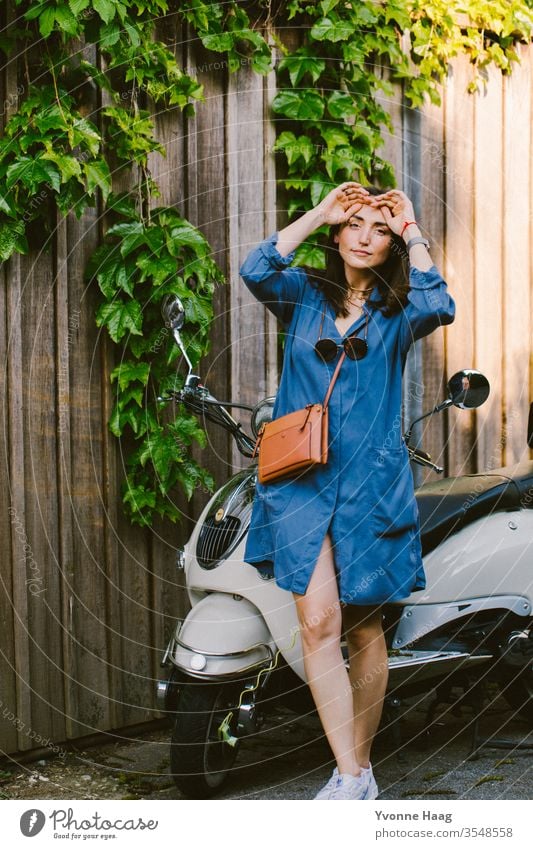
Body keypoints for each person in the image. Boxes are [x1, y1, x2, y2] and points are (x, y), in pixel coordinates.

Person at [239, 182, 455, 800]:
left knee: (362, 627)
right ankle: (352, 774)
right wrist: (317, 213)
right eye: (355, 224)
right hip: (300, 482)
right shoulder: (302, 296)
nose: (366, 236)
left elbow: (441, 304)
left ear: (391, 246)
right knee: (318, 623)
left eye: (379, 230)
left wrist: (413, 229)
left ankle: (356, 773)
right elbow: (257, 267)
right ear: (338, 235)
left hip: (370, 485)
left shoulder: (401, 310)